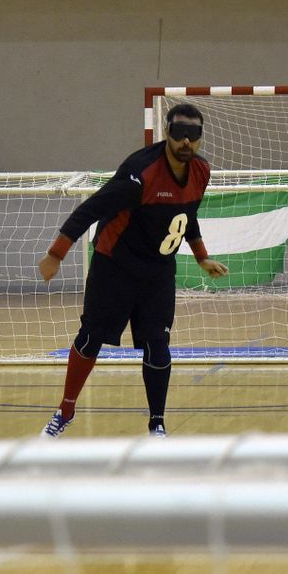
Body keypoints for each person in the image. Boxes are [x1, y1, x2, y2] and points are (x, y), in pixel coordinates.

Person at [37, 104, 228, 439]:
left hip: (158, 272)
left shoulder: (201, 171)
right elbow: (92, 207)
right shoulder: (141, 173)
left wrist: (201, 257)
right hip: (115, 266)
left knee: (158, 343)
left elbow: (187, 214)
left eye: (193, 135)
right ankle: (65, 410)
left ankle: (157, 423)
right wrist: (56, 254)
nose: (186, 141)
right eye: (179, 133)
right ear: (167, 133)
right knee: (91, 337)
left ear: (200, 139)